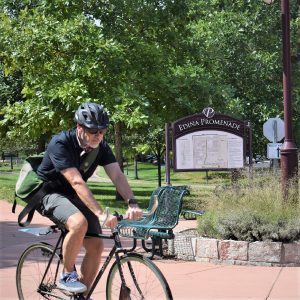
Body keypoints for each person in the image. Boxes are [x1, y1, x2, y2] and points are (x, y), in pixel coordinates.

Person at [36, 102, 142, 296]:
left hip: (73, 196)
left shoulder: (101, 146)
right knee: (78, 223)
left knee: (96, 244)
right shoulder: (60, 143)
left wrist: (132, 202)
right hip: (50, 194)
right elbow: (76, 181)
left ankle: (81, 295)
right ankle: (67, 275)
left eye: (102, 131)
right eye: (94, 131)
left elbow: (117, 175)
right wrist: (101, 213)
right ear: (79, 127)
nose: (99, 136)